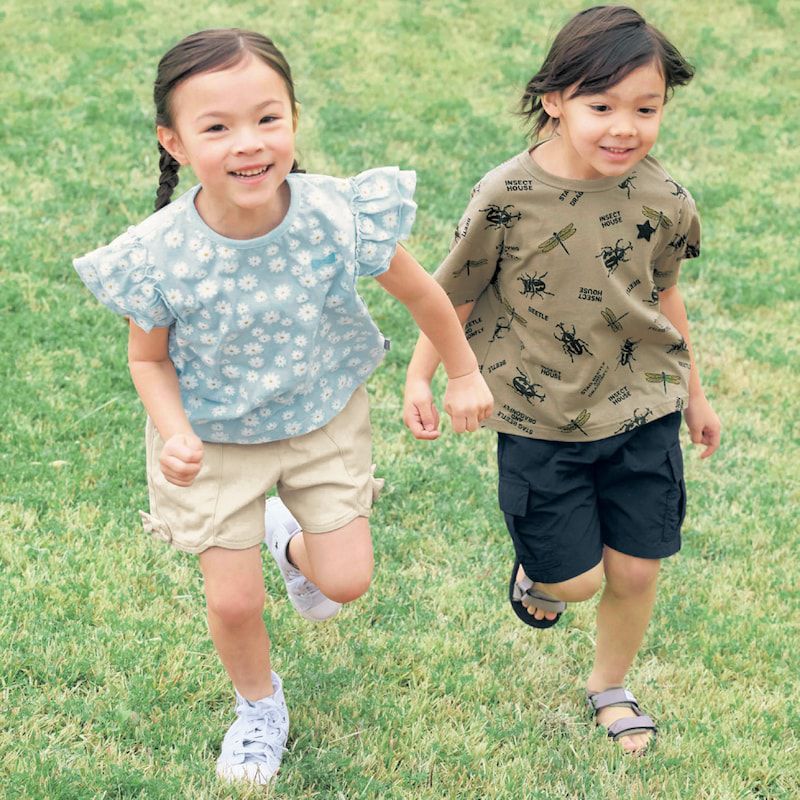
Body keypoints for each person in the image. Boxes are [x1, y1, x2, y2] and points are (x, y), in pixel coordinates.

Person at [73, 28, 492, 784]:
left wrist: (461, 373)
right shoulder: (159, 252)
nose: (249, 143)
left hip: (320, 418)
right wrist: (173, 432)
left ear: (294, 119)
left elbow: (425, 294)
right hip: (213, 440)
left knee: (344, 583)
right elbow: (147, 358)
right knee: (235, 605)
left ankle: (284, 540)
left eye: (268, 118)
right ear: (173, 142)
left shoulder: (336, 213)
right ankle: (259, 707)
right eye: (217, 127)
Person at [403, 5, 721, 754]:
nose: (625, 128)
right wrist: (424, 378)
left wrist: (696, 396)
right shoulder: (507, 195)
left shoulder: (665, 200)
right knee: (576, 582)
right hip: (538, 415)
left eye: (646, 109)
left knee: (637, 570)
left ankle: (610, 687)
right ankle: (542, 577)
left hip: (643, 407)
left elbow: (664, 296)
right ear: (554, 99)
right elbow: (454, 293)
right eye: (601, 106)